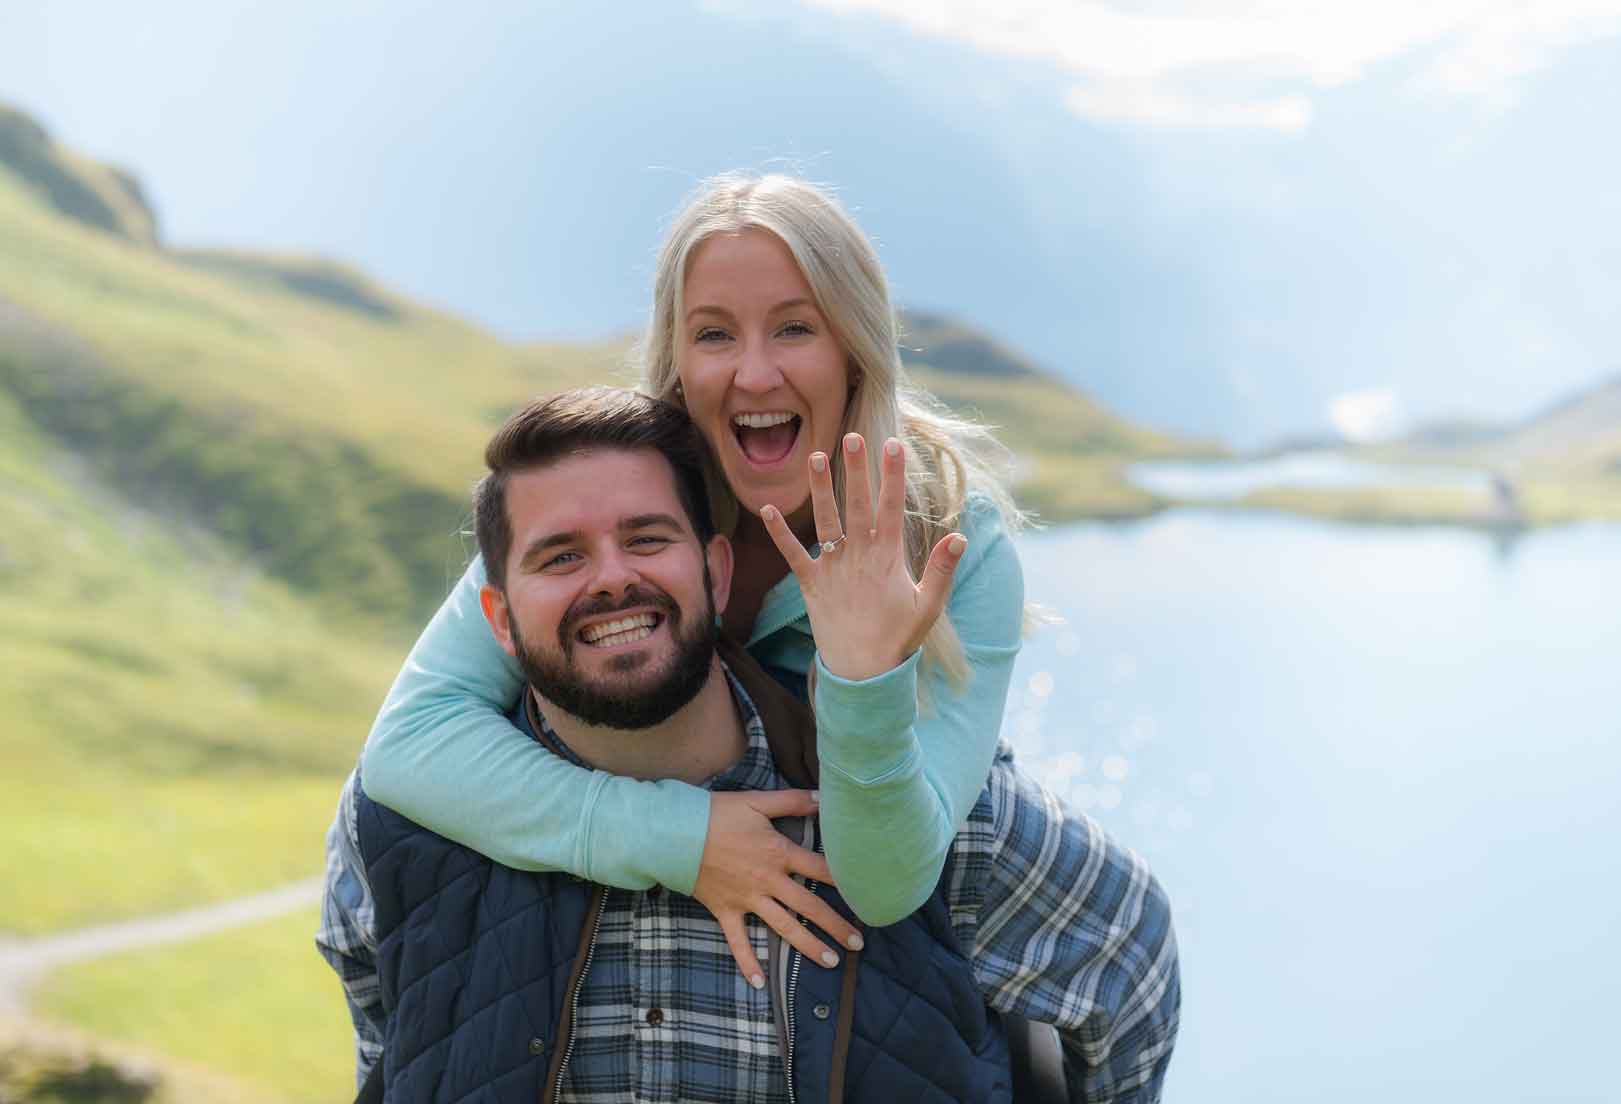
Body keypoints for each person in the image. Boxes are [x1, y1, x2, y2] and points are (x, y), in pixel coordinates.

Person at [317, 388, 1179, 1102]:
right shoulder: (397, 828)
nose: (612, 575)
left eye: (647, 537)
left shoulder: (920, 817)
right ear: (498, 619)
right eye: (559, 557)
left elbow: (1130, 954)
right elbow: (382, 1039)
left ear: (720, 574)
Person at [358, 173, 1031, 984]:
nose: (752, 376)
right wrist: (682, 839)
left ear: (854, 349)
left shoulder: (953, 541)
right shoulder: (615, 493)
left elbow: (888, 884)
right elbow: (409, 745)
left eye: (794, 329)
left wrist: (863, 679)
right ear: (675, 359)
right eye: (714, 335)